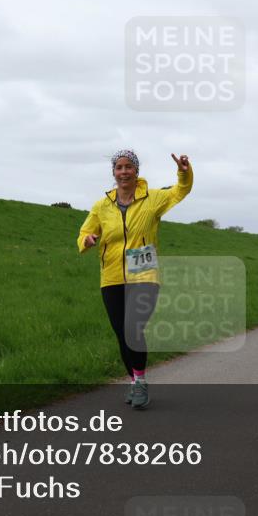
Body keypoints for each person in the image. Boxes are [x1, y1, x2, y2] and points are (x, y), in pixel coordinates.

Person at [77, 150, 193, 409]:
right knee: (121, 332)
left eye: (129, 167)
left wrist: (184, 172)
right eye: (119, 167)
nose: (124, 171)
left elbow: (180, 191)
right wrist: (87, 240)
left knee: (133, 328)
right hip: (112, 276)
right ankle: (133, 381)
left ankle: (140, 383)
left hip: (144, 273)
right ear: (114, 173)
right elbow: (85, 231)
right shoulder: (102, 206)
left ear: (136, 171)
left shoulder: (153, 199)